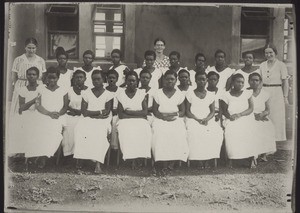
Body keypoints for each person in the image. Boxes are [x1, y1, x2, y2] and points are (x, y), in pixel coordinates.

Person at [73, 70, 113, 174]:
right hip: (88, 118)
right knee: (80, 128)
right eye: (94, 79)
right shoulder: (86, 93)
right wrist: (98, 112)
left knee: (100, 131)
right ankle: (80, 158)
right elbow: (84, 112)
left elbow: (107, 111)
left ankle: (98, 163)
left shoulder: (108, 94)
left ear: (103, 80)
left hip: (102, 120)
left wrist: (97, 114)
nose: (96, 81)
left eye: (98, 79)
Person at [29, 66, 68, 168]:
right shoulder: (41, 89)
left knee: (54, 131)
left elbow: (65, 106)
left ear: (58, 78)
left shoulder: (63, 90)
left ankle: (44, 156)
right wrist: (49, 113)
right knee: (40, 129)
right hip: (44, 114)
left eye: (54, 78)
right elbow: (38, 105)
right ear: (46, 78)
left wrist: (58, 114)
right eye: (49, 78)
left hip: (58, 116)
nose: (51, 80)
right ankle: (41, 155)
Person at [152, 70, 189, 174]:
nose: (169, 81)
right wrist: (163, 117)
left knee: (179, 132)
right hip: (160, 118)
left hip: (175, 119)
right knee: (159, 133)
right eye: (167, 79)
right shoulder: (158, 93)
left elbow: (182, 111)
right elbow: (155, 110)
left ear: (176, 80)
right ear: (163, 80)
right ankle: (163, 163)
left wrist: (174, 115)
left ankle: (172, 163)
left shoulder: (179, 94)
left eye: (172, 79)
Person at [185, 71, 223, 168]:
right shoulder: (189, 93)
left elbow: (212, 111)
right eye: (199, 79)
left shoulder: (210, 94)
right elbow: (188, 111)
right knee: (194, 132)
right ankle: (198, 160)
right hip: (193, 118)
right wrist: (197, 119)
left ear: (206, 80)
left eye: (203, 79)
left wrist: (206, 119)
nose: (201, 81)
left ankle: (209, 158)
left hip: (207, 119)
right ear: (195, 80)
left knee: (216, 131)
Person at [220, 73, 257, 168]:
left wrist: (240, 114)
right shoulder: (226, 95)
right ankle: (231, 158)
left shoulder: (247, 93)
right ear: (232, 82)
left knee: (249, 130)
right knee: (231, 131)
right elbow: (224, 111)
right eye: (238, 82)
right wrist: (230, 116)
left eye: (242, 82)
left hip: (245, 117)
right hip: (231, 119)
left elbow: (251, 108)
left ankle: (251, 158)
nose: (240, 84)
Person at [117, 71, 152, 169]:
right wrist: (137, 115)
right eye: (129, 80)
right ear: (126, 81)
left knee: (144, 128)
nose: (131, 83)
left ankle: (139, 157)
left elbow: (145, 112)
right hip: (125, 120)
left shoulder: (141, 93)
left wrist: (129, 112)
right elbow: (120, 114)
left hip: (139, 120)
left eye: (133, 81)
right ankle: (131, 158)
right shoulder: (121, 94)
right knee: (125, 129)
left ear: (137, 82)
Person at [8, 67, 41, 163]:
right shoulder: (22, 90)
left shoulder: (41, 88)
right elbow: (22, 107)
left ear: (37, 76)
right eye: (29, 74)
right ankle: (26, 154)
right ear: (26, 76)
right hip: (26, 113)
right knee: (23, 124)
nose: (31, 76)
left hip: (39, 113)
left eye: (34, 74)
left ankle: (36, 155)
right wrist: (34, 100)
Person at [259, 44, 289, 141]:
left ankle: (276, 139)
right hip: (264, 91)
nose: (268, 54)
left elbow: (285, 82)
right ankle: (265, 138)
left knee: (276, 116)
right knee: (265, 114)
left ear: (275, 53)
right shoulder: (262, 65)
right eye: (266, 53)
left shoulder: (281, 65)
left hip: (277, 92)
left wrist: (285, 97)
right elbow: (259, 80)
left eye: (270, 52)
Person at [10, 37, 46, 115]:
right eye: (29, 48)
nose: (31, 50)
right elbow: (14, 76)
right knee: (20, 109)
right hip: (21, 84)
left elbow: (43, 76)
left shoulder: (40, 60)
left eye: (33, 48)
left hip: (37, 86)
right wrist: (17, 88)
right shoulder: (18, 59)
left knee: (36, 108)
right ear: (25, 47)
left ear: (36, 48)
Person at [248, 72, 276, 162]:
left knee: (268, 126)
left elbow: (268, 110)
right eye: (252, 80)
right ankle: (252, 154)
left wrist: (262, 114)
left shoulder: (265, 94)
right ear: (248, 81)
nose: (254, 82)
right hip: (248, 116)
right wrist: (252, 115)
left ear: (260, 82)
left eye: (257, 80)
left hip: (260, 116)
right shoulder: (245, 92)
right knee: (252, 128)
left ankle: (263, 154)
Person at [62, 70, 88, 157]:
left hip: (84, 115)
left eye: (81, 77)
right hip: (70, 114)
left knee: (82, 128)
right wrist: (72, 110)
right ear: (73, 79)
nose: (79, 79)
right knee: (68, 127)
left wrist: (78, 112)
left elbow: (90, 106)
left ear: (85, 79)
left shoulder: (89, 91)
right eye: (77, 77)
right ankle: (68, 154)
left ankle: (80, 154)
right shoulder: (69, 90)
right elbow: (65, 105)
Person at [106, 69, 123, 154]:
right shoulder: (104, 89)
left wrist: (117, 110)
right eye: (109, 78)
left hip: (117, 113)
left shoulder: (121, 91)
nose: (111, 80)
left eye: (114, 78)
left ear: (117, 79)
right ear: (107, 79)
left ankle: (114, 149)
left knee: (114, 122)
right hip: (106, 112)